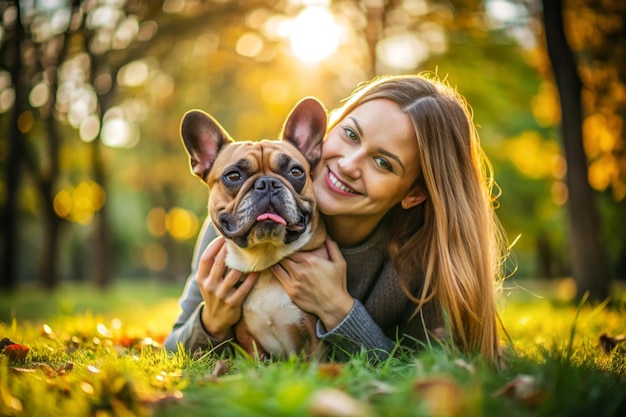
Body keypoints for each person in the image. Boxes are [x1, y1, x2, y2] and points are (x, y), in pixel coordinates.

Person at [163, 73, 507, 364]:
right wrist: (211, 321)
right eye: (351, 135)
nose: (348, 164)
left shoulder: (421, 261)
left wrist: (341, 311)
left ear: (414, 193)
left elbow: (435, 371)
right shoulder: (232, 223)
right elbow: (172, 351)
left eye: (383, 163)